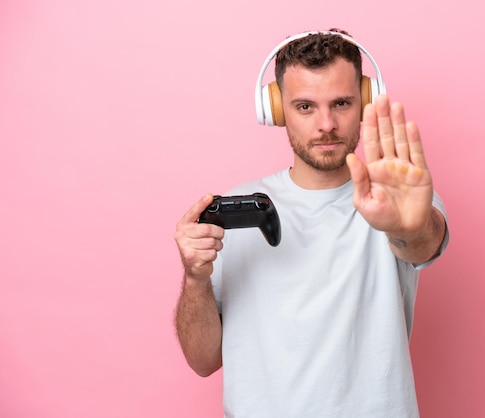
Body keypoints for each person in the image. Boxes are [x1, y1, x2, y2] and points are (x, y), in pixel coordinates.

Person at [174, 29, 449, 417]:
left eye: (341, 103)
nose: (326, 124)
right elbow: (203, 360)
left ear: (365, 102)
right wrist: (194, 278)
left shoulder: (397, 197)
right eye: (305, 106)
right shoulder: (234, 213)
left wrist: (406, 227)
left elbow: (422, 243)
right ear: (276, 108)